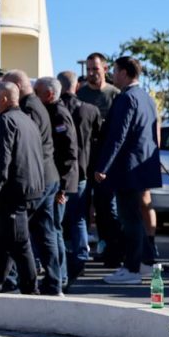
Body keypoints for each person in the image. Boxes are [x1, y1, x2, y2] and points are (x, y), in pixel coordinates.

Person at [95, 56, 161, 285]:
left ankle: (132, 268)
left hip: (127, 169)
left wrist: (103, 166)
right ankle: (145, 263)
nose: (113, 75)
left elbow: (117, 136)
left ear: (124, 72)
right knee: (136, 217)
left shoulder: (126, 98)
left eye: (114, 70)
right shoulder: (146, 97)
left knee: (129, 219)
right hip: (142, 167)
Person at [0, 82, 44, 293]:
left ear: (4, 99)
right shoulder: (27, 120)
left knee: (19, 243)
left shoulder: (6, 121)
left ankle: (30, 289)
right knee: (8, 242)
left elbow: (2, 159)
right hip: (31, 189)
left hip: (14, 192)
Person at [3, 70, 62, 296]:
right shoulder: (37, 105)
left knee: (18, 234)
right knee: (45, 232)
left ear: (17, 85)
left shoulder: (28, 109)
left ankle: (12, 279)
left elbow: (25, 148)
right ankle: (54, 282)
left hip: (38, 179)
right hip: (47, 178)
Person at [35, 76, 78, 293]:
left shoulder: (59, 114)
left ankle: (60, 277)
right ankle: (59, 275)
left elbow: (69, 154)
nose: (34, 95)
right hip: (57, 182)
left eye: (38, 91)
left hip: (58, 184)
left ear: (49, 94)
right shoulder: (50, 111)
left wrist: (63, 188)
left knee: (54, 230)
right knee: (54, 230)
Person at [58, 72, 101, 286]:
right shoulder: (90, 110)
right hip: (82, 171)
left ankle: (63, 256)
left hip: (57, 173)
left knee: (57, 219)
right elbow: (98, 140)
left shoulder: (53, 108)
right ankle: (82, 255)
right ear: (76, 87)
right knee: (79, 218)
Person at [79, 52, 122, 266]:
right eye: (88, 69)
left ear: (104, 69)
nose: (91, 73)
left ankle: (109, 247)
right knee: (82, 205)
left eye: (95, 69)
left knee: (106, 207)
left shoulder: (115, 94)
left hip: (107, 162)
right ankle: (82, 248)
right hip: (85, 159)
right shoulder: (82, 94)